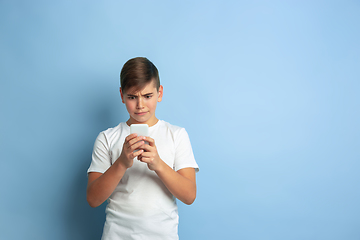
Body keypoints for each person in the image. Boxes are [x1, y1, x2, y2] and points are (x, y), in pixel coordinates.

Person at [86, 57, 199, 239]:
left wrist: (158, 164)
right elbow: (93, 198)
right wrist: (122, 162)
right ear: (122, 95)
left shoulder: (176, 135)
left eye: (147, 96)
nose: (140, 105)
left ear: (159, 93)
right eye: (132, 97)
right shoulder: (107, 138)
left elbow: (189, 195)